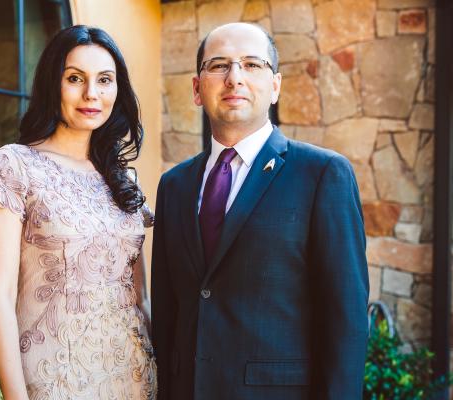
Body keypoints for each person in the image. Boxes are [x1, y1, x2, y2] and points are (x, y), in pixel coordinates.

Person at [151, 22, 369, 400]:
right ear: (197, 88)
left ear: (276, 86)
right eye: (218, 65)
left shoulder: (322, 175)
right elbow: (169, 313)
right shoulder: (174, 186)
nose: (234, 78)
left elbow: (345, 320)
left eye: (252, 65)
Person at [0, 25, 156, 400]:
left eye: (105, 80)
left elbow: (140, 296)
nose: (92, 94)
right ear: (51, 84)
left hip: (134, 375)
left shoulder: (122, 178)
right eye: (75, 78)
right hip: (57, 378)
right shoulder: (15, 165)